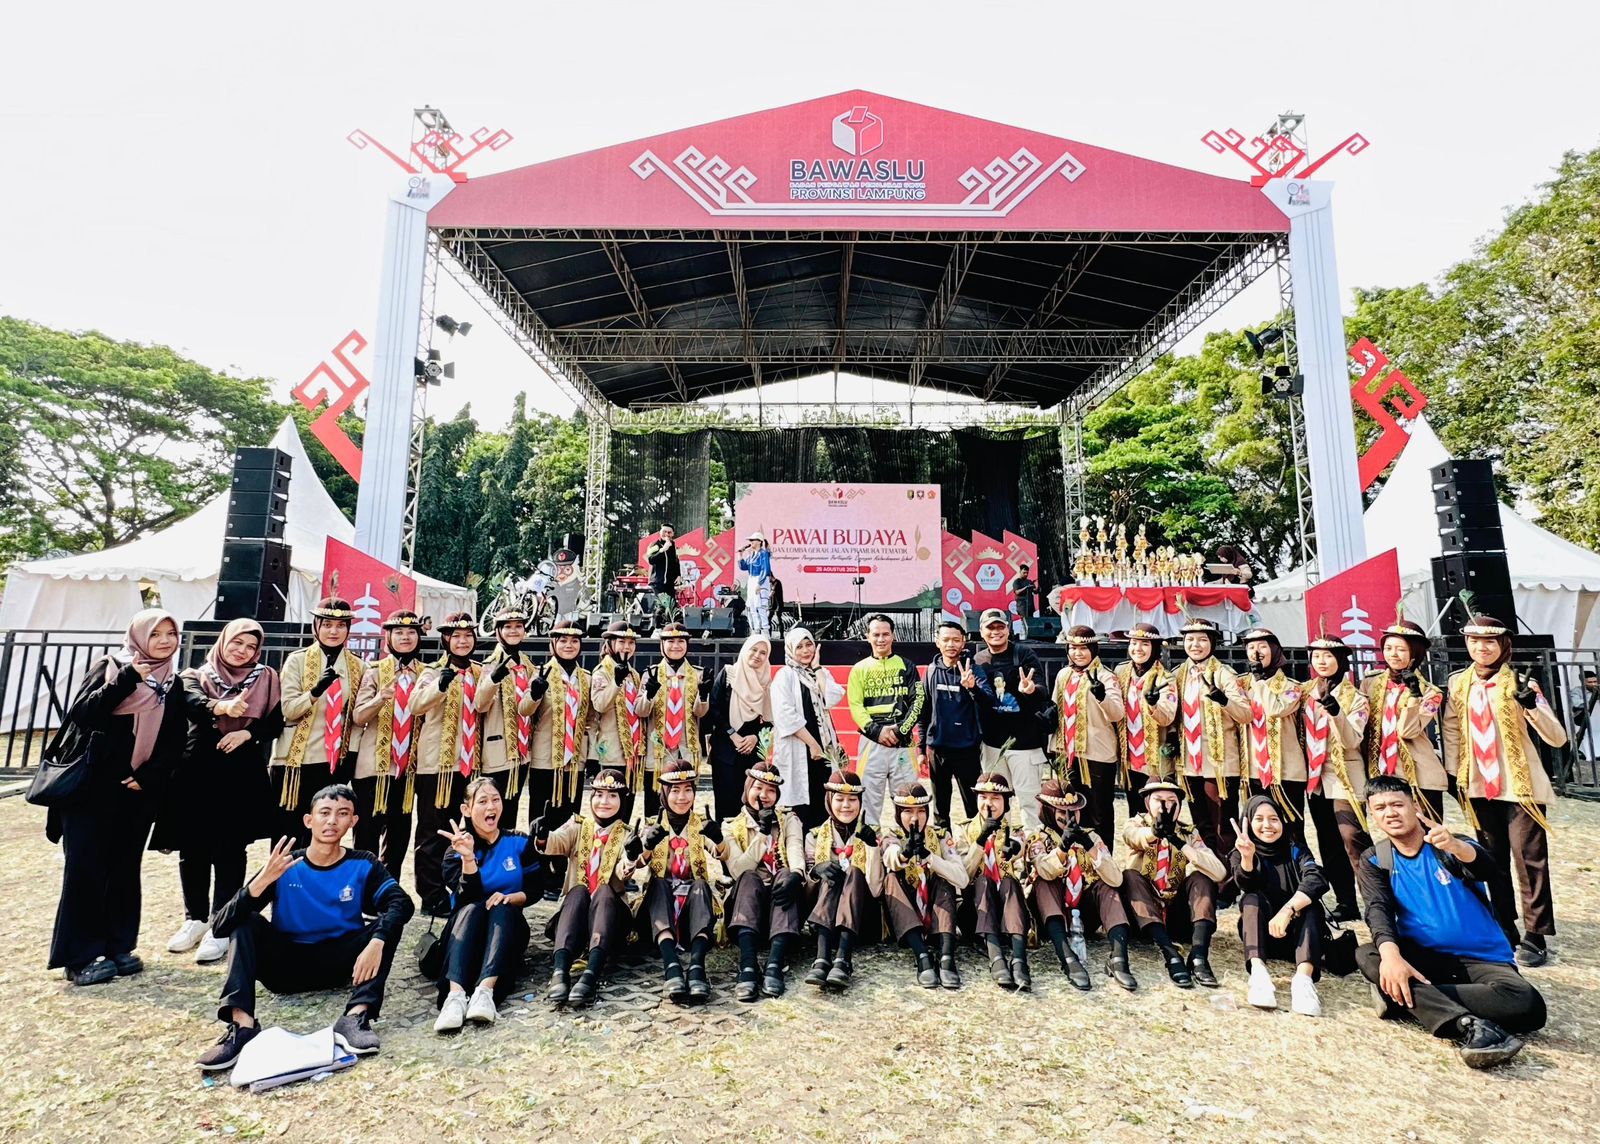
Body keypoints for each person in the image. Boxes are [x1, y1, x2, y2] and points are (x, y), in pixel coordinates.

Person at [198, 785, 416, 1069]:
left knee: (388, 924)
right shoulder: (286, 865)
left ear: (354, 822)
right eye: (324, 813)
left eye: (342, 814)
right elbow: (220, 926)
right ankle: (242, 1026)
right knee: (246, 922)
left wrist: (377, 941)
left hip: (344, 967)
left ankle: (356, 1015)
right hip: (286, 969)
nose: (332, 821)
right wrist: (261, 882)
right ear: (308, 820)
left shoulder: (363, 863)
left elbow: (402, 903)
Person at [1356, 774, 1546, 1068]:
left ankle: (1396, 995)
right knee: (1370, 954)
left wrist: (1458, 848)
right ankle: (1467, 1025)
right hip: (1424, 959)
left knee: (1526, 1004)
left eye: (1397, 804)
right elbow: (1377, 908)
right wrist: (1392, 957)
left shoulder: (1448, 844)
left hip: (1482, 960)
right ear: (1372, 814)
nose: (1390, 813)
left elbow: (1487, 869)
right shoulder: (1375, 859)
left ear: (1415, 805)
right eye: (1380, 808)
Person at [47, 609, 187, 987]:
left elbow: (175, 739)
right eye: (155, 634)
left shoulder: (171, 682)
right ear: (139, 636)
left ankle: (118, 945)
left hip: (135, 793)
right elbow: (82, 715)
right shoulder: (112, 667)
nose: (163, 641)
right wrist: (128, 679)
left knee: (124, 869)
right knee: (85, 870)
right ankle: (79, 957)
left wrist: (148, 776)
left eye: (170, 634)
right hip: (93, 790)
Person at [1441, 615, 1567, 967]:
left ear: (1503, 646)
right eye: (1474, 642)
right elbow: (1452, 729)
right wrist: (1455, 774)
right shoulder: (1457, 684)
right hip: (1479, 784)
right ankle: (1502, 923)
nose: (1481, 648)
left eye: (1490, 643)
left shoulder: (1520, 682)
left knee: (1529, 859)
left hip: (1519, 784)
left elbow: (1557, 737)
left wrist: (1531, 706)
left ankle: (1536, 933)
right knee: (1489, 858)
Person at [157, 618, 283, 966]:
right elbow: (192, 703)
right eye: (237, 643)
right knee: (193, 846)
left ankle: (221, 923)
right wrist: (222, 707)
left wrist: (248, 733)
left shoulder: (267, 678)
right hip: (196, 766)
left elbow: (276, 720)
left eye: (250, 646)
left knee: (231, 847)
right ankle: (194, 918)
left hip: (239, 767)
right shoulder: (194, 675)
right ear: (223, 641)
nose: (242, 651)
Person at [432, 776, 540, 1032]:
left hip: (506, 929)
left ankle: (485, 992)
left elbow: (536, 888)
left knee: (501, 907)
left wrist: (510, 898)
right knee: (472, 908)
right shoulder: (455, 849)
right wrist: (468, 859)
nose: (491, 807)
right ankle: (455, 997)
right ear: (466, 810)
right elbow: (466, 898)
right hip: (464, 931)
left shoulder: (520, 842)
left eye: (495, 800)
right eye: (482, 801)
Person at [411, 613, 494, 917]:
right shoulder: (432, 672)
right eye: (455, 636)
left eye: (468, 635)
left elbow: (484, 706)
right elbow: (415, 705)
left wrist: (493, 682)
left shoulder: (480, 672)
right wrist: (439, 687)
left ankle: (462, 887)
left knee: (464, 831)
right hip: (436, 765)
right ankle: (430, 895)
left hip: (470, 764)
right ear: (446, 639)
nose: (462, 641)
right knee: (432, 833)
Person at [535, 768, 640, 1008]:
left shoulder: (625, 834)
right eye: (599, 794)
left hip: (611, 918)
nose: (604, 802)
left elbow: (623, 872)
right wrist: (542, 836)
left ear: (622, 800)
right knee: (578, 890)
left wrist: (632, 857)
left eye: (613, 796)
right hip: (577, 916)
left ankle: (591, 974)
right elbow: (555, 842)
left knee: (604, 890)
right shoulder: (578, 826)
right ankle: (560, 972)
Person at [272, 597, 364, 842]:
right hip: (296, 761)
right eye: (326, 624)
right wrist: (314, 692)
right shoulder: (297, 661)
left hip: (334, 762)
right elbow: (289, 709)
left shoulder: (358, 666)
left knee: (325, 834)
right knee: (289, 834)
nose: (334, 631)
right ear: (316, 627)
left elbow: (354, 718)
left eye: (341, 625)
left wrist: (351, 756)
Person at [1119, 780, 1226, 988]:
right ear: (1148, 803)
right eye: (1159, 800)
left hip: (1175, 914)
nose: (1165, 806)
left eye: (1172, 801)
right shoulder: (1135, 824)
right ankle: (1169, 953)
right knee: (1130, 875)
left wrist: (1180, 843)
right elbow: (1133, 837)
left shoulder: (1188, 832)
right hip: (1143, 918)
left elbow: (1219, 872)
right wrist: (1156, 833)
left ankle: (1198, 955)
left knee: (1202, 879)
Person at [1028, 780, 1134, 991]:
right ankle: (1067, 957)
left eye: (1074, 811)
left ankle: (1119, 957)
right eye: (1061, 811)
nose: (1069, 817)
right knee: (1043, 882)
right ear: (1048, 810)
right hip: (1049, 917)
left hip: (1082, 914)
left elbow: (1116, 878)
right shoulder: (1037, 837)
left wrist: (1089, 847)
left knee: (1106, 886)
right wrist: (1063, 847)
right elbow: (1044, 870)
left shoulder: (1091, 835)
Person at [1229, 794, 1328, 1015]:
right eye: (1259, 819)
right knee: (1251, 898)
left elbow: (1316, 878)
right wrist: (1247, 858)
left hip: (1298, 936)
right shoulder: (1240, 852)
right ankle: (1259, 974)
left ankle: (1303, 980)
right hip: (1260, 934)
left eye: (1274, 819)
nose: (1267, 826)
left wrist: (1288, 909)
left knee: (1310, 906)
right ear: (1249, 821)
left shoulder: (1296, 849)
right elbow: (1245, 883)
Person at [518, 619, 595, 898]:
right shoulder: (541, 674)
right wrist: (535, 693)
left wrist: (593, 752)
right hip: (545, 759)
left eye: (574, 641)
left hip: (575, 761)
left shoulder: (585, 678)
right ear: (553, 644)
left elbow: (591, 719)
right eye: (562, 640)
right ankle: (540, 874)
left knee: (568, 817)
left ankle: (562, 874)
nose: (568, 645)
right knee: (542, 817)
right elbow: (524, 710)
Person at [717, 761, 807, 1000]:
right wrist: (763, 833)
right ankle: (748, 964)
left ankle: (775, 964)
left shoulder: (789, 820)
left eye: (771, 790)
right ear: (747, 789)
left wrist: (796, 875)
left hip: (782, 905)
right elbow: (737, 869)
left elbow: (796, 851)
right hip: (746, 908)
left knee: (787, 874)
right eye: (758, 787)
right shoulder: (730, 826)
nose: (764, 795)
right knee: (748, 878)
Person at [635, 766, 725, 1003]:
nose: (682, 797)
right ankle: (671, 966)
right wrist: (646, 846)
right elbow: (636, 864)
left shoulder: (700, 824)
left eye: (688, 790)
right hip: (658, 914)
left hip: (690, 914)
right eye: (675, 790)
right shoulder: (651, 825)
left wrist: (720, 839)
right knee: (659, 884)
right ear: (664, 793)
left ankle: (697, 967)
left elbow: (720, 853)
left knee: (701, 885)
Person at [351, 610, 427, 882]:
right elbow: (358, 716)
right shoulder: (374, 672)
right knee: (367, 832)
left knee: (398, 833)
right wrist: (380, 698)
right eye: (399, 632)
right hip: (373, 766)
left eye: (411, 632)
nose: (405, 637)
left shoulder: (426, 674)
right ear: (388, 637)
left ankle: (387, 888)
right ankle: (362, 889)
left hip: (408, 768)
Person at [1166, 616, 1252, 857]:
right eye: (1190, 639)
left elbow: (1245, 714)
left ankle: (1229, 879)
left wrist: (1224, 701)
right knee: (1201, 825)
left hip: (1220, 763)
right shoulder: (1177, 675)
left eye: (1202, 640)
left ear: (1213, 643)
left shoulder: (1225, 674)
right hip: (1190, 763)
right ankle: (1210, 874)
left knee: (1223, 824)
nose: (1195, 645)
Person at [1301, 629, 1371, 923]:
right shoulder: (1304, 692)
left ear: (1341, 660)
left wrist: (1336, 712)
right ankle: (1345, 902)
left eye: (1328, 656)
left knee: (1354, 840)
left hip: (1345, 776)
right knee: (1328, 843)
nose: (1322, 661)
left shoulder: (1356, 697)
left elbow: (1353, 739)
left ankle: (1374, 902)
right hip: (1315, 778)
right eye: (1317, 656)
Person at [880, 781, 969, 989]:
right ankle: (922, 956)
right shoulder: (892, 836)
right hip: (907, 918)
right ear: (897, 812)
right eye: (907, 812)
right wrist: (905, 853)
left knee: (944, 878)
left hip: (935, 908)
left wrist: (931, 858)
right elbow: (890, 858)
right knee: (891, 879)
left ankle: (947, 957)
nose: (914, 818)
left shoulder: (940, 835)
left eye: (921, 811)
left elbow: (962, 878)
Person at [803, 769, 884, 991]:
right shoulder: (814, 836)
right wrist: (816, 871)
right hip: (826, 923)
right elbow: (807, 889)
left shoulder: (873, 833)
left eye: (852, 799)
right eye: (840, 799)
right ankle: (821, 958)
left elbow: (876, 890)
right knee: (830, 874)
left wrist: (873, 848)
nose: (846, 805)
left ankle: (843, 959)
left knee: (855, 872)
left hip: (862, 922)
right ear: (829, 801)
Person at [1361, 613, 1447, 820]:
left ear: (1415, 653)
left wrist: (1414, 696)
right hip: (1382, 771)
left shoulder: (1431, 692)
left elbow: (1408, 731)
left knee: (1429, 832)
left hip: (1420, 775)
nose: (1394, 655)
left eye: (1401, 649)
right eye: (1389, 648)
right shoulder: (1370, 684)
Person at [969, 608, 1050, 828]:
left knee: (1029, 802)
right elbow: (980, 699)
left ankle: (1034, 851)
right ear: (982, 632)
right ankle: (999, 853)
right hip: (992, 744)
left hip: (1025, 744)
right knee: (995, 803)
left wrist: (1031, 689)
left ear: (1008, 628)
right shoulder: (978, 659)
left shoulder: (1024, 654)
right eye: (990, 627)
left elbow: (1043, 690)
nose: (996, 632)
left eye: (1000, 626)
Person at [1050, 626, 1126, 847]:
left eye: (1083, 648)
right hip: (1066, 752)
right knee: (1071, 810)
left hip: (1097, 755)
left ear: (1093, 649)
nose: (1078, 653)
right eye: (1073, 648)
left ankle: (1104, 861)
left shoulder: (1106, 677)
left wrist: (1102, 696)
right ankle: (1076, 860)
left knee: (1099, 813)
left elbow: (1117, 713)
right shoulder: (1063, 674)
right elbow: (1057, 709)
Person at [913, 621, 994, 830]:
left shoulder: (974, 670)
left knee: (974, 807)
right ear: (937, 642)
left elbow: (988, 703)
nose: (951, 644)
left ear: (963, 641)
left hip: (967, 749)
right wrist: (921, 748)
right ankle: (944, 850)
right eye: (946, 640)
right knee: (941, 809)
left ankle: (978, 849)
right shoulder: (930, 671)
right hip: (938, 749)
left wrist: (973, 687)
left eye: (956, 640)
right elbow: (924, 712)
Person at [846, 614, 924, 827]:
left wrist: (900, 731)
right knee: (868, 801)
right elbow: (855, 705)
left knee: (908, 799)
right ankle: (869, 849)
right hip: (872, 744)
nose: (881, 639)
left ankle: (910, 846)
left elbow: (918, 702)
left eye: (885, 634)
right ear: (867, 637)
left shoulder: (907, 666)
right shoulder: (859, 669)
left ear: (893, 636)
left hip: (903, 745)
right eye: (876, 634)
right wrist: (876, 731)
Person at [961, 772, 1033, 990]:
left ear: (1006, 802)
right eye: (983, 797)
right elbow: (963, 873)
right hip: (976, 910)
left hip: (1010, 908)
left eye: (995, 798)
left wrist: (1015, 849)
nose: (988, 803)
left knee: (1010, 881)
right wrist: (981, 840)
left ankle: (1020, 960)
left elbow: (1021, 849)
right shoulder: (963, 829)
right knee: (983, 880)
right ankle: (996, 957)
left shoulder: (1017, 832)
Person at [771, 626, 845, 829]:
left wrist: (818, 667)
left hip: (824, 748)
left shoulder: (821, 673)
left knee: (825, 798)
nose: (805, 651)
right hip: (801, 745)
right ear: (790, 650)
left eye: (809, 645)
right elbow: (786, 715)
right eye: (799, 647)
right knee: (800, 804)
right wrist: (812, 744)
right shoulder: (784, 676)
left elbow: (832, 697)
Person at [1237, 627, 1308, 830]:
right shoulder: (1240, 684)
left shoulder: (1292, 687)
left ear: (1275, 650)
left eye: (1262, 646)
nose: (1256, 652)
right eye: (1251, 647)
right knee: (1258, 829)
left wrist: (1260, 681)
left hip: (1286, 772)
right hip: (1252, 770)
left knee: (1291, 828)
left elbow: (1274, 708)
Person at [643, 621, 711, 823]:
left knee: (684, 802)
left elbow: (700, 713)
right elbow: (641, 711)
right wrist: (649, 694)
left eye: (681, 641)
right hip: (658, 751)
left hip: (686, 748)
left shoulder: (697, 674)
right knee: (655, 806)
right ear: (662, 645)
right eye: (670, 641)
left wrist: (704, 695)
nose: (676, 646)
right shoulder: (651, 673)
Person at [480, 605, 539, 828]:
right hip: (497, 752)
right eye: (508, 627)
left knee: (512, 810)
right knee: (492, 811)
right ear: (498, 631)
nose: (514, 631)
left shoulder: (529, 666)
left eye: (519, 626)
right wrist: (493, 680)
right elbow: (480, 705)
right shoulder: (489, 665)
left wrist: (535, 694)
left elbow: (528, 708)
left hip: (523, 751)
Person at [705, 633, 776, 821]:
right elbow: (714, 708)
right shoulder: (729, 673)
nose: (757, 656)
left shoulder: (766, 682)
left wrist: (756, 738)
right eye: (754, 650)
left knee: (751, 801)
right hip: (726, 748)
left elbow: (769, 720)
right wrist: (732, 734)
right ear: (745, 650)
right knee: (725, 801)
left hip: (752, 750)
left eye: (763, 653)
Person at [1113, 622, 1178, 818]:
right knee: (1135, 812)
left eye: (1145, 644)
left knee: (1159, 811)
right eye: (1133, 643)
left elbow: (1168, 717)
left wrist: (1153, 705)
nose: (1138, 649)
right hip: (1129, 757)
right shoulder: (1121, 672)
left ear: (1155, 648)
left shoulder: (1166, 678)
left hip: (1156, 758)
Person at [589, 620, 653, 821]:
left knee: (627, 807)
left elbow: (639, 712)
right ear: (610, 644)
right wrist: (616, 682)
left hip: (633, 752)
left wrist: (649, 695)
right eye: (622, 642)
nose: (627, 647)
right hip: (611, 752)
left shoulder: (633, 674)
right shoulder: (602, 671)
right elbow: (599, 705)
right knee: (609, 808)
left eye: (631, 643)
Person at [738, 532, 774, 636]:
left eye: (753, 540)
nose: (751, 542)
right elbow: (744, 567)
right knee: (752, 606)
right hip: (751, 580)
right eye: (750, 540)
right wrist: (740, 555)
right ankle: (756, 630)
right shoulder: (751, 555)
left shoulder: (763, 554)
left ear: (759, 542)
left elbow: (765, 569)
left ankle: (765, 631)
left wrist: (760, 583)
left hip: (759, 579)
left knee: (760, 606)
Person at [645, 524, 681, 625]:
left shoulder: (673, 545)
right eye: (664, 531)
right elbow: (650, 560)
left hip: (669, 583)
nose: (667, 534)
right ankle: (656, 629)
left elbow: (676, 562)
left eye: (669, 532)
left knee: (672, 607)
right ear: (660, 533)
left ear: (673, 534)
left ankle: (669, 628)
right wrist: (662, 550)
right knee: (661, 605)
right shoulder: (655, 545)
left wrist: (678, 575)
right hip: (657, 582)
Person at [1568, 670, 1599, 761]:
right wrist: (1592, 698)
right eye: (1590, 682)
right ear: (1584, 682)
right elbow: (1576, 703)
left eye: (1595, 681)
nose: (1593, 684)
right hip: (1586, 720)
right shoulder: (1577, 691)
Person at [1011, 563, 1037, 636]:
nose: (1026, 574)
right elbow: (1017, 592)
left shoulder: (1029, 581)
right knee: (1024, 620)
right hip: (1022, 605)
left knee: (1031, 621)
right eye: (1024, 572)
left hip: (1030, 604)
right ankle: (1024, 635)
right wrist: (1026, 587)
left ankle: (1031, 635)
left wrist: (1036, 588)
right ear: (1020, 572)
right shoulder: (1017, 581)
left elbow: (1035, 591)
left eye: (1027, 573)